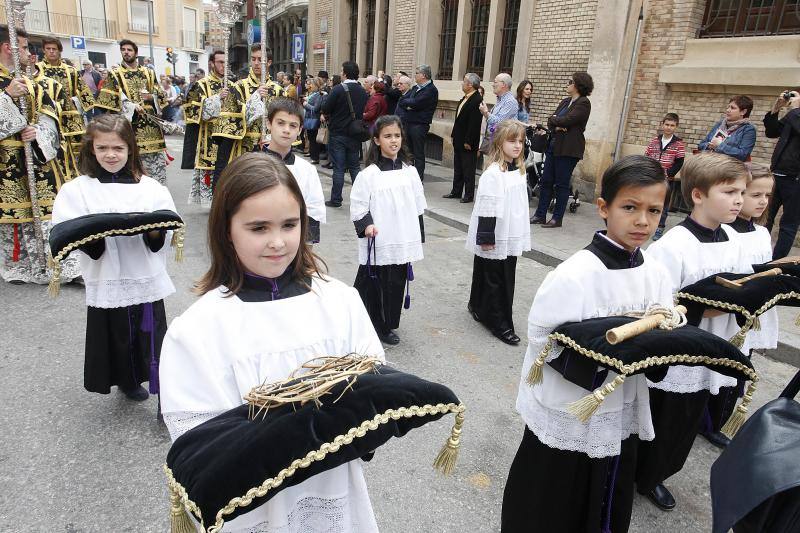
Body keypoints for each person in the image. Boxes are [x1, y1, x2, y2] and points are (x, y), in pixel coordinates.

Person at [159, 152, 383, 531]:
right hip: (251, 506)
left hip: (331, 487)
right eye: (258, 228)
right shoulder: (199, 329)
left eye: (289, 224)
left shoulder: (340, 302)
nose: (277, 242)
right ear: (226, 229)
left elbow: (371, 385)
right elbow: (199, 438)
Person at [503, 155, 672, 533]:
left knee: (607, 493)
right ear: (603, 208)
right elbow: (544, 342)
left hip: (622, 402)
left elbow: (663, 327)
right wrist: (606, 358)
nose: (642, 221)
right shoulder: (574, 275)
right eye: (630, 207)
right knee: (555, 498)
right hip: (572, 407)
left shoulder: (657, 272)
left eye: (654, 210)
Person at [636, 152, 751, 511]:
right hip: (680, 354)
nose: (739, 200)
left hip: (712, 349)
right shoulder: (674, 245)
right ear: (698, 195)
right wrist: (712, 306)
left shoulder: (732, 237)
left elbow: (743, 283)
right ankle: (645, 475)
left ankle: (663, 469)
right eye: (729, 191)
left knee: (687, 422)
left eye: (742, 192)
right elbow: (659, 304)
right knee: (666, 418)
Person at [51, 114, 176, 402]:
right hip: (106, 272)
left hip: (142, 271)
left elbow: (165, 231)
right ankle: (126, 379)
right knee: (116, 330)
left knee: (149, 330)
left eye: (118, 148)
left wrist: (154, 231)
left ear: (130, 149)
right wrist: (94, 235)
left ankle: (161, 382)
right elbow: (69, 229)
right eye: (103, 148)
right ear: (91, 149)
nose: (111, 155)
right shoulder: (77, 190)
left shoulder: (150, 188)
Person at [0, 26, 80, 285]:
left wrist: (39, 132)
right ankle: (23, 266)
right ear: (7, 47)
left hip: (39, 160)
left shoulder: (36, 81)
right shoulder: (9, 85)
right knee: (15, 219)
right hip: (6, 165)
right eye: (23, 47)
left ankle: (64, 265)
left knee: (52, 214)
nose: (28, 53)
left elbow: (50, 119)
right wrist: (6, 96)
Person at [351, 115, 426, 345]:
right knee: (374, 284)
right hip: (380, 239)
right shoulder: (368, 175)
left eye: (397, 136)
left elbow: (418, 205)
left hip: (402, 238)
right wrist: (368, 226)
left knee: (396, 284)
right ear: (376, 140)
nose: (393, 141)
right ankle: (369, 324)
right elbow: (359, 206)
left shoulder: (409, 172)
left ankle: (387, 323)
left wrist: (417, 237)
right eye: (387, 136)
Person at [465, 120, 531, 346]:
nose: (517, 146)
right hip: (496, 231)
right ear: (500, 142)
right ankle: (499, 323)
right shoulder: (494, 173)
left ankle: (477, 305)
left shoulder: (519, 170)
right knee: (495, 278)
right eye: (512, 141)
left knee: (499, 273)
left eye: (521, 141)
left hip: (510, 231)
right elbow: (488, 206)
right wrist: (486, 236)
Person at [95, 39, 168, 184]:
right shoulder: (115, 74)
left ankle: (157, 191)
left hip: (151, 127)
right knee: (132, 161)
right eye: (123, 50)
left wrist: (151, 97)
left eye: (129, 50)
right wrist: (130, 106)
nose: (126, 52)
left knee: (155, 165)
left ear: (136, 53)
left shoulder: (148, 72)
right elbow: (108, 100)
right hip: (130, 127)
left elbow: (160, 95)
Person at [212, 45, 283, 187]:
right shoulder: (238, 87)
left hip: (270, 147)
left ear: (268, 62)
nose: (256, 63)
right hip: (243, 147)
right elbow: (230, 122)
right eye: (253, 59)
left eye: (260, 60)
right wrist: (256, 97)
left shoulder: (278, 90)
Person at [531, 72, 593, 228]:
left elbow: (568, 120)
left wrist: (558, 122)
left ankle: (557, 218)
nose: (567, 83)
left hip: (568, 149)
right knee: (546, 181)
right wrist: (557, 124)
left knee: (561, 184)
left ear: (578, 85)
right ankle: (540, 214)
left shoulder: (584, 103)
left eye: (570, 81)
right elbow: (552, 120)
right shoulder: (566, 101)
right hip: (554, 145)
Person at [262, 97, 326, 243]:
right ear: (269, 123)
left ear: (300, 130)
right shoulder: (252, 166)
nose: (286, 130)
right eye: (280, 123)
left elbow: (314, 211)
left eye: (293, 125)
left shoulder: (307, 170)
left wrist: (304, 255)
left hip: (295, 243)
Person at [37, 38, 95, 157]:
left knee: (73, 146)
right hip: (47, 113)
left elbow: (83, 89)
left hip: (68, 113)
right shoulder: (38, 69)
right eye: (48, 49)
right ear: (44, 50)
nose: (51, 51)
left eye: (54, 49)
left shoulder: (71, 71)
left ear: (60, 51)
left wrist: (88, 108)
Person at [321, 61, 368, 207]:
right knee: (354, 167)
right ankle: (361, 198)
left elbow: (326, 108)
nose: (340, 74)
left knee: (339, 167)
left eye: (342, 71)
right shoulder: (362, 91)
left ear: (345, 73)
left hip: (338, 133)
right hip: (355, 133)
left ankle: (336, 199)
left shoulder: (338, 89)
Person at [184, 50, 227, 207]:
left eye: (225, 62)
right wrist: (217, 98)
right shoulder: (201, 85)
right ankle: (212, 203)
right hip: (208, 136)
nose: (223, 66)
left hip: (228, 136)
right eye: (220, 62)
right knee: (210, 169)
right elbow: (194, 112)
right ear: (212, 63)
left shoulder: (233, 83)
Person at [764, 89, 800, 259]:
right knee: (764, 219)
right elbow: (772, 131)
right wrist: (776, 108)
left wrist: (795, 110)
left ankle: (775, 263)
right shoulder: (794, 116)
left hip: (796, 180)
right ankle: (759, 255)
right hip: (777, 174)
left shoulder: (795, 115)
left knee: (788, 224)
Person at [644, 112, 686, 240]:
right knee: (649, 201)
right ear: (662, 125)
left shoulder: (678, 144)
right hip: (653, 177)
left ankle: (660, 227)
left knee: (664, 204)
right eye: (667, 124)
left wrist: (669, 173)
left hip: (667, 179)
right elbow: (647, 156)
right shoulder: (655, 141)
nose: (669, 127)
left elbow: (679, 162)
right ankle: (648, 223)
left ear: (676, 127)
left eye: (672, 125)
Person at [444, 73, 483, 203]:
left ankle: (469, 195)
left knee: (468, 169)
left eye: (464, 81)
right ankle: (456, 191)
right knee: (459, 167)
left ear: (470, 84)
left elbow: (474, 123)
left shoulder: (477, 99)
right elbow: (459, 120)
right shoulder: (465, 98)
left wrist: (468, 141)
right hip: (459, 139)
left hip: (467, 141)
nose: (462, 83)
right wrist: (454, 134)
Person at [397, 65, 439, 181]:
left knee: (418, 153)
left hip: (419, 125)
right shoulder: (416, 88)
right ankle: (408, 177)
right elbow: (404, 100)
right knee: (407, 152)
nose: (414, 75)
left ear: (424, 75)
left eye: (417, 73)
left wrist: (410, 104)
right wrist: (409, 104)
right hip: (409, 123)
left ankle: (418, 180)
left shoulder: (431, 90)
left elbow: (416, 102)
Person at [698, 95, 756, 162]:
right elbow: (701, 145)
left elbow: (743, 155)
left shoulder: (748, 130)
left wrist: (719, 146)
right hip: (709, 164)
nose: (728, 110)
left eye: (732, 108)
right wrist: (709, 145)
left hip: (729, 169)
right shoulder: (720, 124)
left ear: (743, 112)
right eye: (728, 107)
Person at [478, 73, 518, 147]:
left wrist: (486, 113)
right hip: (496, 143)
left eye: (495, 82)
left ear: (503, 85)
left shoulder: (510, 101)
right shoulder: (500, 100)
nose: (493, 85)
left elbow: (499, 123)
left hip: (503, 146)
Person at [303, 76, 324, 164]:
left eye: (312, 84)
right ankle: (313, 156)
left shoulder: (320, 94)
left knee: (313, 139)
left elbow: (316, 108)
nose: (311, 85)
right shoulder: (314, 94)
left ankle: (315, 157)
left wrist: (306, 104)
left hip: (314, 119)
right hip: (310, 118)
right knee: (311, 138)